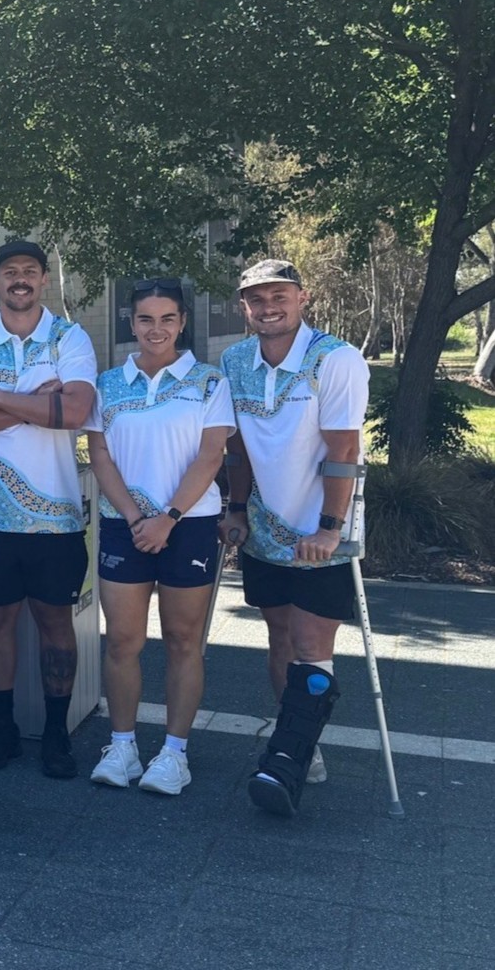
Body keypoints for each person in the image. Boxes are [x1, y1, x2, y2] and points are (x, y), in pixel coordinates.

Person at [219, 259, 370, 817]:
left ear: (302, 298)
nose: (268, 307)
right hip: (264, 527)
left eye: (279, 295)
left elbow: (344, 451)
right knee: (279, 639)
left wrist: (329, 530)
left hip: (318, 530)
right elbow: (237, 447)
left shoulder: (336, 358)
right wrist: (236, 509)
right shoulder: (235, 359)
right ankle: (300, 735)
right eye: (256, 299)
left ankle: (291, 754)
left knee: (312, 646)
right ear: (245, 307)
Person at [0, 240, 96, 779]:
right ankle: (3, 727)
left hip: (55, 516)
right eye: (10, 273)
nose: (20, 280)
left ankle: (56, 733)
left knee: (55, 622)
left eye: (30, 271)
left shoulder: (69, 337)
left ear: (44, 280)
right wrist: (36, 402)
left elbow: (75, 410)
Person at [85, 280, 234, 795]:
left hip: (188, 525)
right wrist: (133, 518)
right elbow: (99, 456)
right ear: (131, 323)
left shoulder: (210, 381)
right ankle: (123, 746)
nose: (156, 329)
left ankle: (174, 753)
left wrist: (167, 517)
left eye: (167, 319)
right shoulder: (107, 383)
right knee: (123, 641)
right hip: (124, 525)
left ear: (182, 322)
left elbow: (211, 456)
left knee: (183, 641)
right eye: (146, 319)